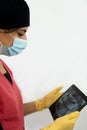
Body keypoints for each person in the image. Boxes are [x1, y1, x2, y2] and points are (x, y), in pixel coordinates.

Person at [0, 0, 80, 130]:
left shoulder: (3, 66)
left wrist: (39, 104)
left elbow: (9, 115)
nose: (24, 39)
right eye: (21, 33)